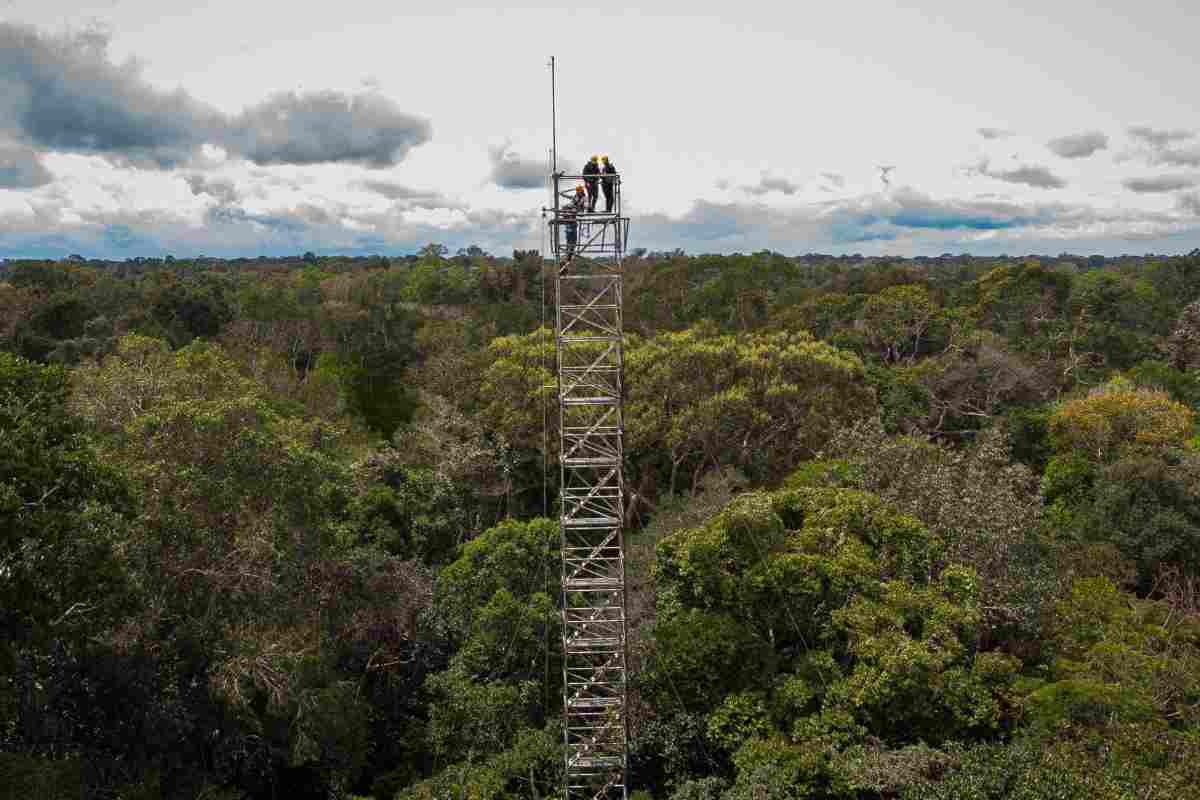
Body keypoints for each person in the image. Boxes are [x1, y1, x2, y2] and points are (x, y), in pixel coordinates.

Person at [561, 184, 587, 257]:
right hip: (572, 217)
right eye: (577, 191)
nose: (578, 192)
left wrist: (585, 206)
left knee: (572, 242)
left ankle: (569, 254)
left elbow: (585, 204)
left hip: (578, 211)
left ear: (581, 191)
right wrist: (563, 194)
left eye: (579, 191)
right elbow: (570, 198)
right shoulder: (575, 197)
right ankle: (568, 254)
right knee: (569, 242)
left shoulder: (584, 198)